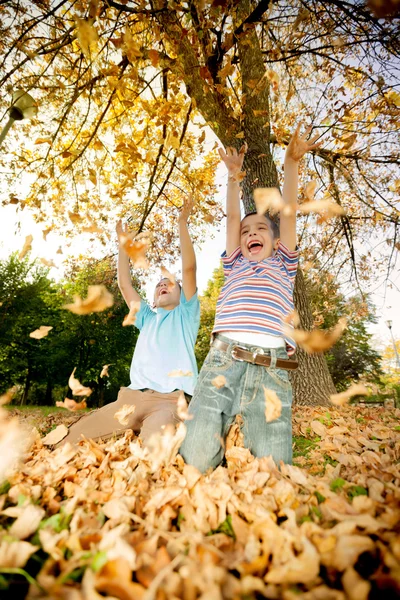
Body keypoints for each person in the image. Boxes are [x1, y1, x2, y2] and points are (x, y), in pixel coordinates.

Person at [180, 125, 321, 472]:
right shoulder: (234, 264)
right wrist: (233, 176)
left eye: (260, 229)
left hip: (272, 370)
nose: (251, 233)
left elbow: (287, 213)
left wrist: (290, 165)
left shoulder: (285, 264)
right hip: (224, 361)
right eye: (246, 232)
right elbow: (232, 218)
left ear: (274, 241)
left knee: (273, 470)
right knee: (195, 461)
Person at [58, 198, 200, 447]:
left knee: (155, 452)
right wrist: (124, 245)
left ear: (183, 295)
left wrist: (182, 223)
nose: (162, 285)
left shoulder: (186, 314)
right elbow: (125, 284)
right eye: (158, 285)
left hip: (170, 402)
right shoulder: (146, 318)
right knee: (68, 439)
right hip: (130, 400)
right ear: (153, 300)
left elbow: (188, 269)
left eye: (169, 283)